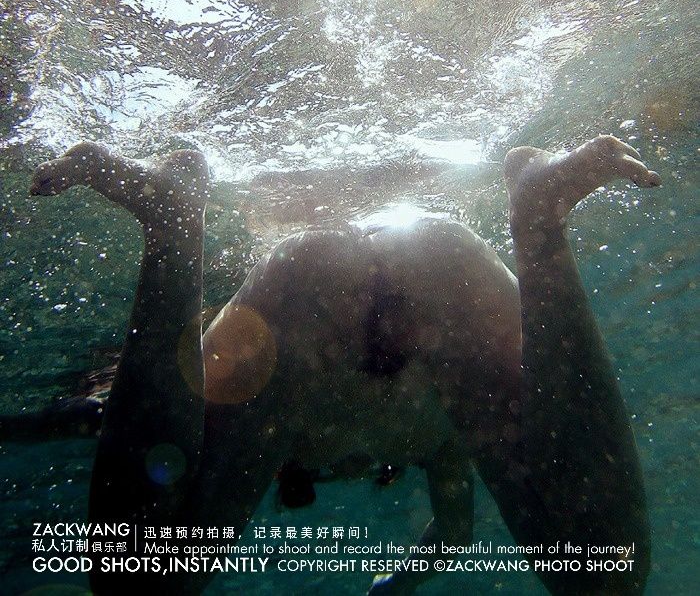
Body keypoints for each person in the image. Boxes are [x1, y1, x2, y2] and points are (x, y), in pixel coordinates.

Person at [29, 134, 658, 595]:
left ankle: (539, 217)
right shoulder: (436, 448)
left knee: (604, 577)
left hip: (355, 285)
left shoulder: (382, 443)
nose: (350, 466)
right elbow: (454, 534)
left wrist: (400, 583)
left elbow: (452, 535)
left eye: (331, 471)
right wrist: (398, 585)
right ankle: (172, 220)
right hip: (411, 276)